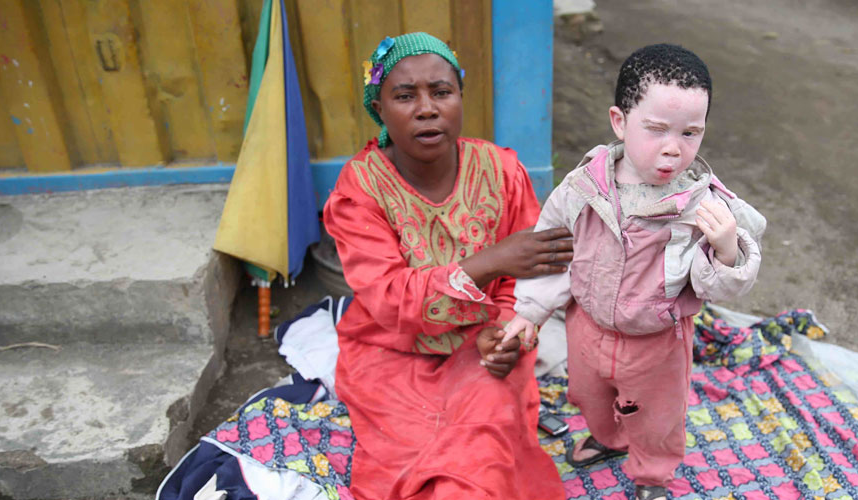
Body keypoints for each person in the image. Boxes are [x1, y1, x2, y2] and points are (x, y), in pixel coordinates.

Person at [502, 44, 766, 500]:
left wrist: (726, 248)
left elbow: (716, 285)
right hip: (588, 329)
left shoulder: (702, 204)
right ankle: (608, 439)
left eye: (690, 133)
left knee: (658, 417)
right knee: (588, 396)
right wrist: (530, 310)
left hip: (657, 343)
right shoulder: (584, 187)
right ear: (620, 122)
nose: (673, 148)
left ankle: (652, 474)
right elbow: (554, 248)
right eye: (657, 129)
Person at [321, 32, 570, 500]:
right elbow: (388, 298)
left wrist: (510, 335)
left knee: (481, 448)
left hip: (483, 344)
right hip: (391, 353)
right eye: (404, 96)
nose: (427, 109)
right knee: (411, 455)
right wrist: (490, 259)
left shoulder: (501, 171)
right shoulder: (360, 190)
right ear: (379, 108)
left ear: (459, 96)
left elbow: (529, 281)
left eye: (441, 91)